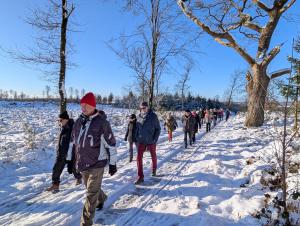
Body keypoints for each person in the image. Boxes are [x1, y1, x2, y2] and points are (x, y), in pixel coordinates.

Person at [71, 92, 117, 226]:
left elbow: (111, 144)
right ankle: (102, 198)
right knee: (91, 189)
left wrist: (113, 163)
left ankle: (85, 223)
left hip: (97, 164)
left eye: (86, 105)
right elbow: (74, 143)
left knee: (90, 195)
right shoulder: (79, 121)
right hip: (83, 163)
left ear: (92, 105)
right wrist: (71, 160)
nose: (83, 107)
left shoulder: (102, 123)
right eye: (81, 105)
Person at [46, 111, 82, 192]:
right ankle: (55, 185)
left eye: (61, 120)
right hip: (61, 153)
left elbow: (75, 141)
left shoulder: (72, 128)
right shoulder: (63, 127)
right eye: (58, 120)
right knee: (56, 169)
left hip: (71, 154)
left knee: (73, 169)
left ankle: (79, 178)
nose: (59, 122)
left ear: (66, 119)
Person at [135, 101, 161, 185]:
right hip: (141, 141)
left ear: (148, 107)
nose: (143, 109)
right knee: (138, 158)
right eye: (141, 108)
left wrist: (155, 139)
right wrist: (136, 138)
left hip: (151, 141)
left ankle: (154, 169)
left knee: (153, 155)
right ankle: (140, 177)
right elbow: (137, 128)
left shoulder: (153, 116)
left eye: (144, 107)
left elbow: (158, 129)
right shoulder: (138, 116)